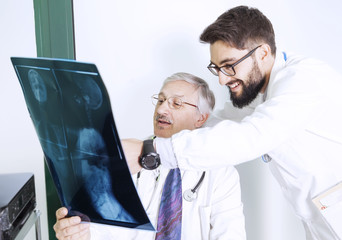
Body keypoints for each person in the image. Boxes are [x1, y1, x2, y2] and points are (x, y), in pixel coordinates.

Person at [123, 6, 342, 240]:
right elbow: (219, 121)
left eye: (229, 65)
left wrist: (151, 153)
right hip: (322, 220)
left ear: (263, 54)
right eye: (217, 68)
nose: (222, 79)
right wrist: (168, 128)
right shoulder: (261, 93)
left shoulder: (304, 81)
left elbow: (250, 137)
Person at [53, 72, 246, 240]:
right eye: (160, 100)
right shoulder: (127, 156)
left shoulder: (221, 173)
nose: (161, 110)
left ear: (201, 118)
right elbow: (105, 227)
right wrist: (80, 233)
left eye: (176, 103)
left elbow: (230, 235)